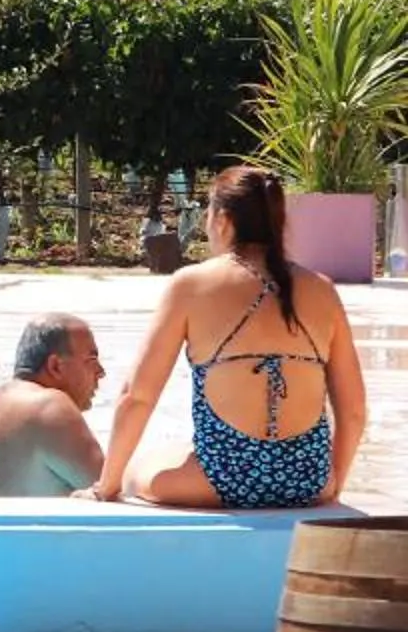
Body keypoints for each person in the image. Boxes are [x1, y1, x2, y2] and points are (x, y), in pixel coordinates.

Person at [82, 166, 365, 509]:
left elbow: (137, 396)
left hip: (220, 480)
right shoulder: (322, 289)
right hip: (307, 481)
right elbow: (353, 412)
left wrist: (106, 486)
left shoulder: (191, 285)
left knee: (137, 470)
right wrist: (331, 486)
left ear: (224, 220)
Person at [0, 315, 108, 497]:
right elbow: (112, 489)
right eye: (91, 360)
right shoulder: (49, 407)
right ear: (55, 366)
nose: (101, 372)